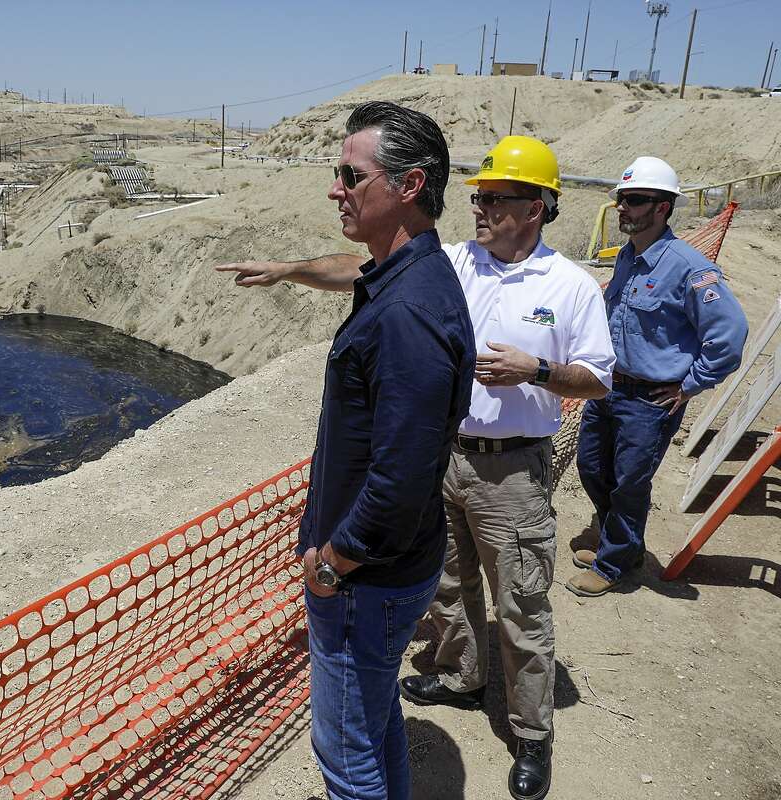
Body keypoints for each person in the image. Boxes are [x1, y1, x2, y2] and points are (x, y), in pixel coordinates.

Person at [216, 135, 615, 800]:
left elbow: (599, 380)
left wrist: (537, 370)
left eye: (496, 199)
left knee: (519, 604)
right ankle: (460, 676)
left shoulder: (568, 286)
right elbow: (358, 269)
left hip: (512, 470)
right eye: (477, 197)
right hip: (446, 457)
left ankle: (531, 734)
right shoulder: (453, 264)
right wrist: (290, 269)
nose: (480, 208)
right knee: (451, 589)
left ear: (538, 208)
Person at [287, 101, 475, 800]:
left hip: (366, 579)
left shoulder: (409, 313)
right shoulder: (403, 276)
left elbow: (398, 480)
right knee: (373, 722)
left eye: (350, 174)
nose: (336, 188)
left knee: (345, 752)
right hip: (392, 570)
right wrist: (287, 270)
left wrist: (334, 563)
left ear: (409, 185)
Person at [570, 156, 748, 597]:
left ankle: (614, 564)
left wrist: (690, 385)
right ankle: (621, 543)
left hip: (650, 400)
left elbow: (729, 336)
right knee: (593, 468)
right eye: (621, 200)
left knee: (630, 483)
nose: (622, 208)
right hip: (608, 388)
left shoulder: (690, 268)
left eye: (633, 200)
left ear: (662, 207)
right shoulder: (629, 257)